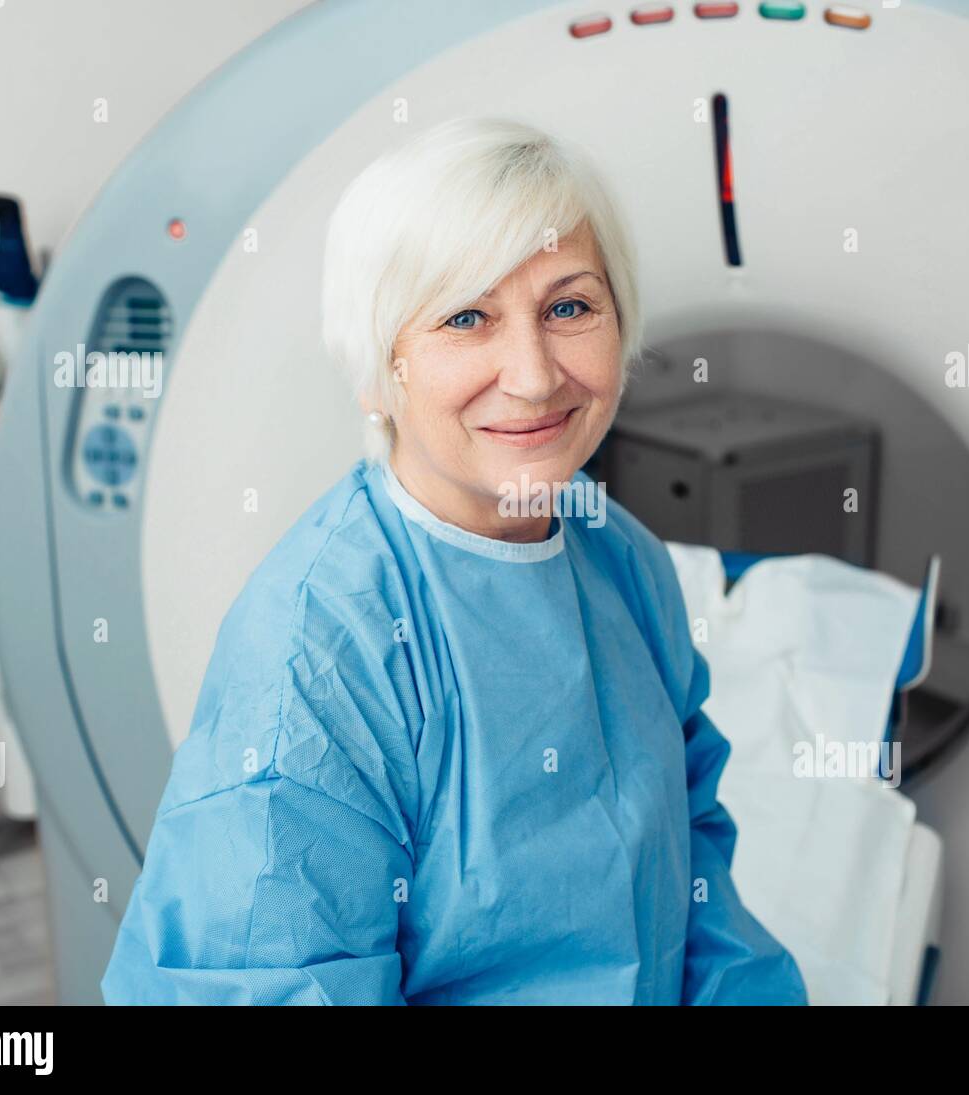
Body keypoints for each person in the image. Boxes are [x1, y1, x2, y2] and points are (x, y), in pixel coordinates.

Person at [100, 115, 807, 1005]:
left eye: (569, 307)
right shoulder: (321, 653)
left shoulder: (625, 559)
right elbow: (267, 984)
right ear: (376, 370)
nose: (534, 373)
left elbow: (692, 859)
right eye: (466, 316)